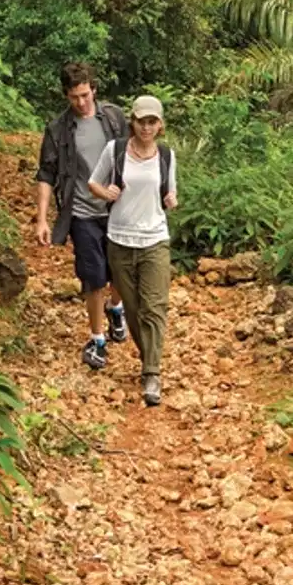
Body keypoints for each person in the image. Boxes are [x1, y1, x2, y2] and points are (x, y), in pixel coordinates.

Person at [34, 62, 130, 371]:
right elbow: (46, 174)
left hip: (117, 208)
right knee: (92, 275)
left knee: (118, 271)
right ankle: (97, 339)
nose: (81, 102)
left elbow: (137, 155)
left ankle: (116, 309)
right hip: (82, 211)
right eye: (74, 97)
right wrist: (42, 218)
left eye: (85, 95)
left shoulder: (113, 118)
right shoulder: (58, 129)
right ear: (66, 95)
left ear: (94, 89)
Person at [88, 95, 178, 407]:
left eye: (152, 122)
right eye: (142, 121)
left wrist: (171, 200)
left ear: (160, 125)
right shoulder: (115, 151)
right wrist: (106, 191)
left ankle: (151, 372)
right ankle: (148, 356)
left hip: (155, 239)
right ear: (133, 122)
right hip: (120, 238)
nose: (147, 127)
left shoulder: (166, 154)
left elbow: (170, 190)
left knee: (155, 306)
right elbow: (93, 183)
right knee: (135, 308)